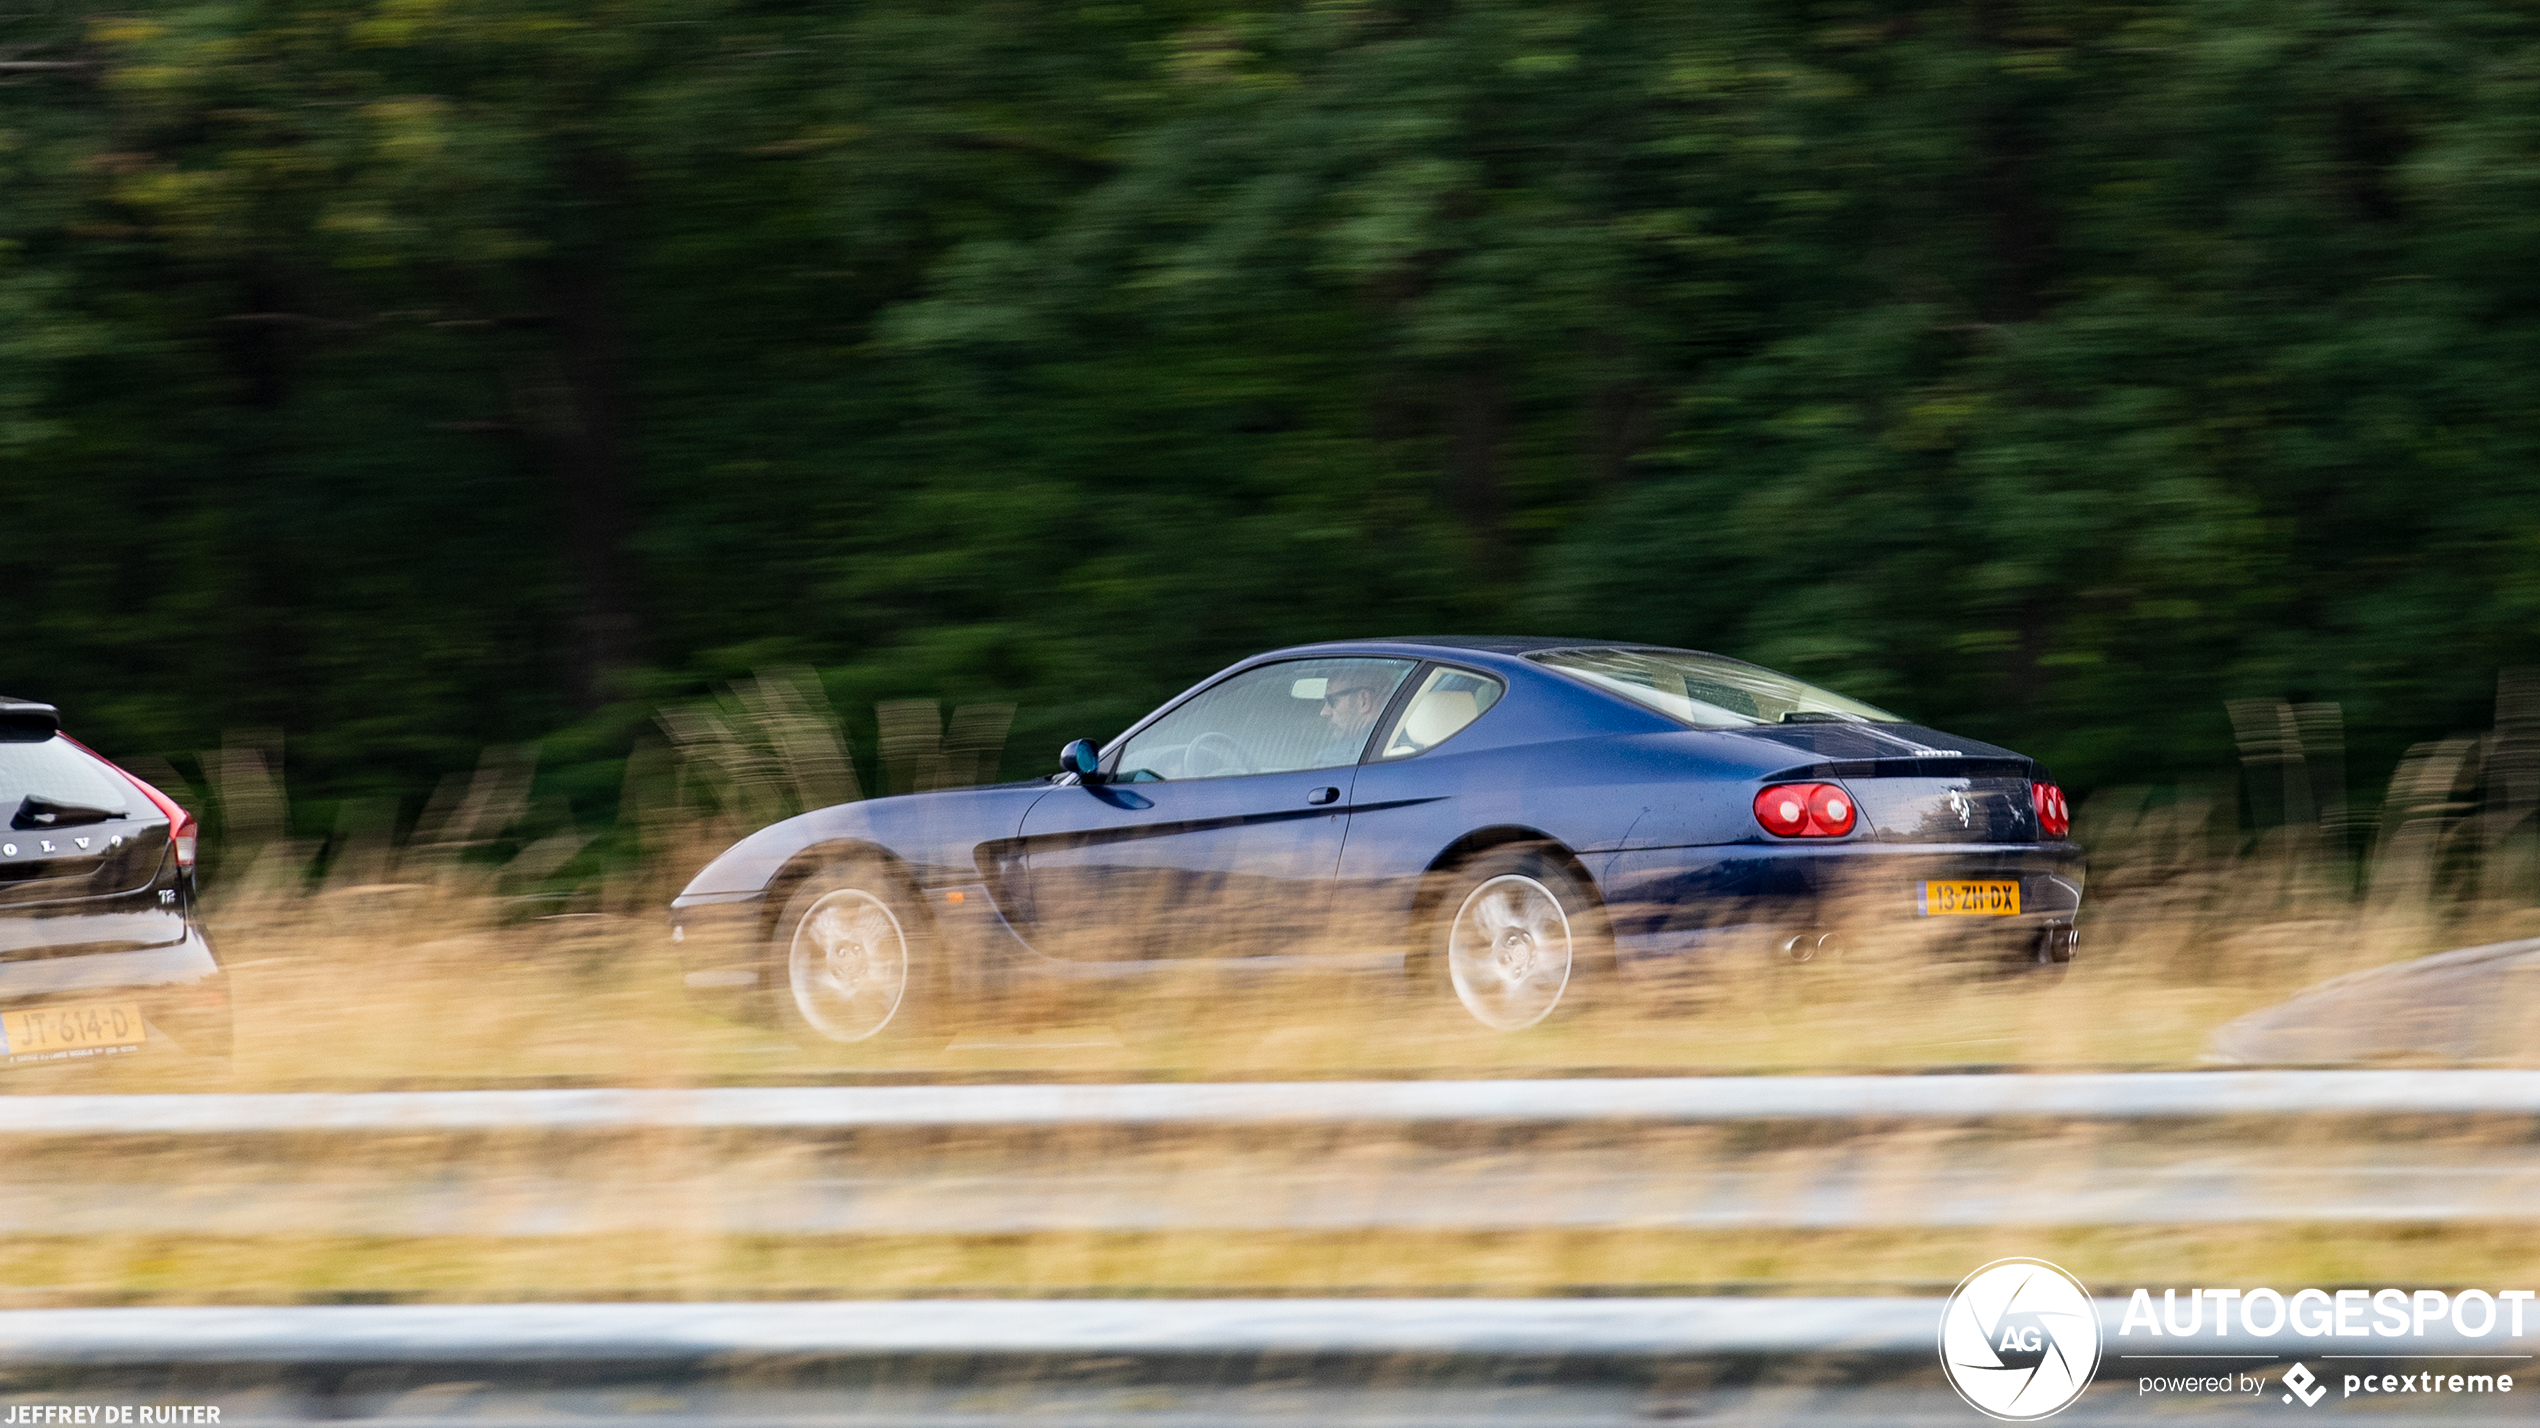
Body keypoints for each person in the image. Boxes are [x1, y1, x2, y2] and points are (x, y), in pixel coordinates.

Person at [1312, 671, 1390, 767]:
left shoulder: (1330, 760)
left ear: (1364, 700)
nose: (1324, 712)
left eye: (1332, 701)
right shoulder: (1396, 745)